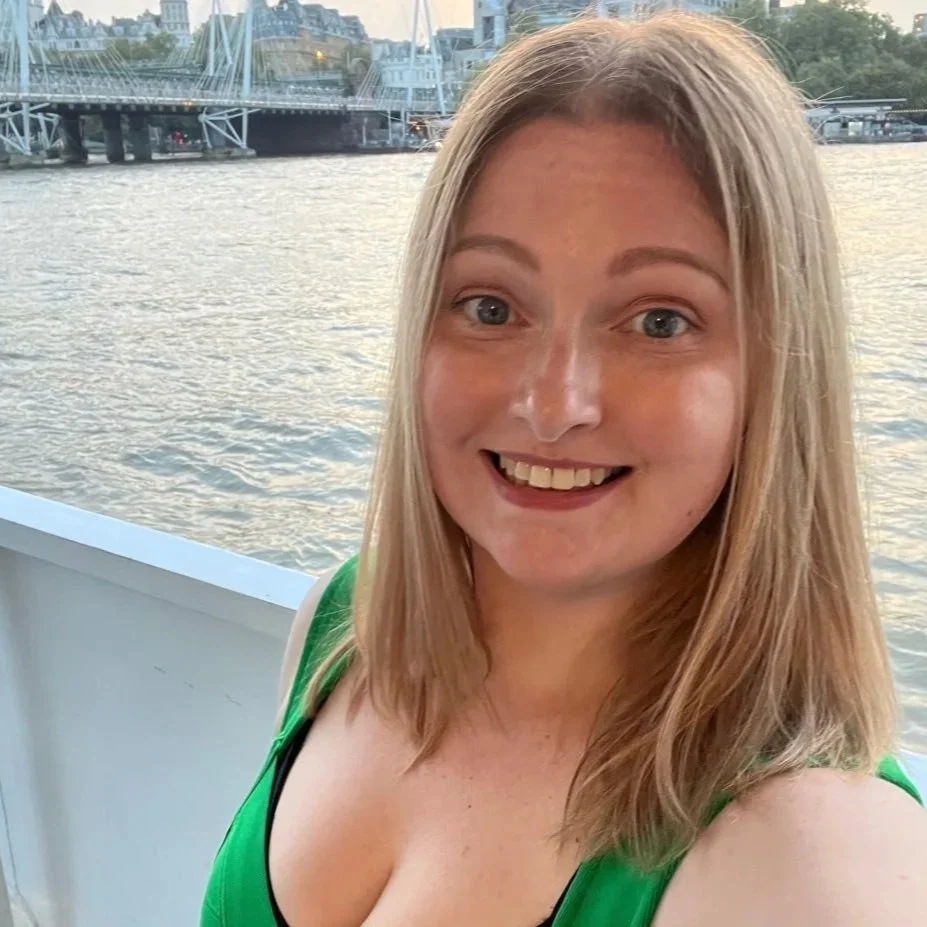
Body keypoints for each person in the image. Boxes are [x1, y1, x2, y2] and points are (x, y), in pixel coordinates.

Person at [201, 13, 927, 927]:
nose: (555, 404)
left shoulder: (814, 864)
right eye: (490, 305)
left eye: (658, 320)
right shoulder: (342, 626)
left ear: (777, 374)